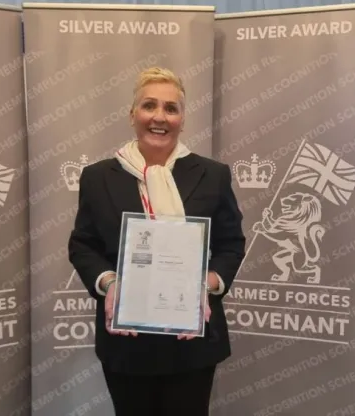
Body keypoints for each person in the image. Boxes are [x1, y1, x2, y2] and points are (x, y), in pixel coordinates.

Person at [68, 67, 245, 416]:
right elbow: (83, 244)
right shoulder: (98, 176)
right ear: (132, 115)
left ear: (182, 119)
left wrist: (205, 283)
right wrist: (110, 283)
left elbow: (231, 243)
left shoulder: (213, 174)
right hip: (126, 339)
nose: (159, 117)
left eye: (171, 108)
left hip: (192, 337)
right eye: (149, 106)